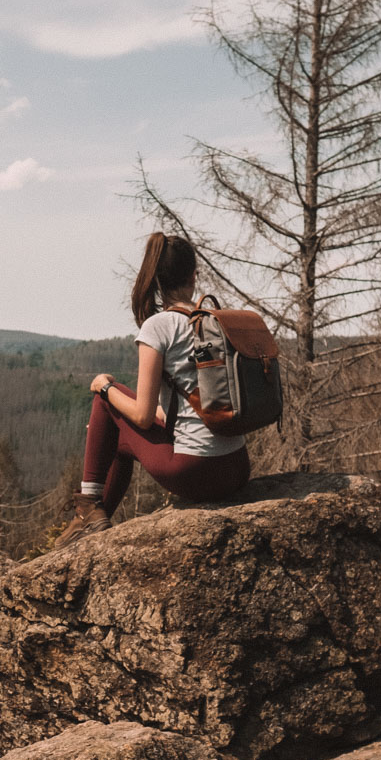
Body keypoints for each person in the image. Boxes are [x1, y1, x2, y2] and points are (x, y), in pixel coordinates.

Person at [56, 232, 252, 546]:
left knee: (107, 399)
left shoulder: (159, 326)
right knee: (117, 422)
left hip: (195, 472)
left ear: (156, 280)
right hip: (237, 468)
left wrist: (104, 388)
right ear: (194, 275)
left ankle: (89, 511)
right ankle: (93, 518)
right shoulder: (214, 322)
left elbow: (143, 416)